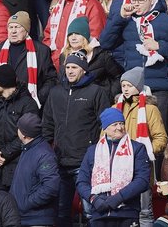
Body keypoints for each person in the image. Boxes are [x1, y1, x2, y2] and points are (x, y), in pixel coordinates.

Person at [42, 53, 110, 227]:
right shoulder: (55, 92)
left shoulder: (96, 92)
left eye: (74, 67)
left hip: (86, 162)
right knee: (61, 210)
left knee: (90, 211)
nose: (70, 71)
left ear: (83, 69)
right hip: (60, 162)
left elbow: (106, 125)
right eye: (68, 67)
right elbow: (48, 124)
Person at [76, 107, 152, 226]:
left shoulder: (137, 148)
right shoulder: (93, 151)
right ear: (105, 128)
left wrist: (118, 198)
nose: (119, 128)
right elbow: (81, 181)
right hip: (99, 213)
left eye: (121, 123)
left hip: (127, 212)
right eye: (114, 124)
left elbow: (142, 180)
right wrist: (94, 199)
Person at [9, 112, 60, 226]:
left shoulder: (44, 154)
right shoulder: (28, 149)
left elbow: (51, 187)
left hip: (36, 220)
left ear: (24, 134)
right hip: (23, 218)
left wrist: (26, 203)